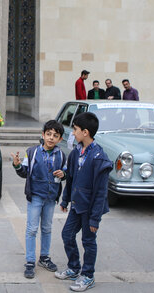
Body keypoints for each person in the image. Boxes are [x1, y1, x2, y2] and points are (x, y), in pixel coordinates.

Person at [55, 112, 113, 292]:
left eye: (75, 129)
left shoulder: (99, 158)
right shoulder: (75, 153)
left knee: (88, 241)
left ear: (86, 132)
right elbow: (70, 178)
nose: (72, 133)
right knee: (67, 235)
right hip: (76, 205)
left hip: (90, 209)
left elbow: (101, 192)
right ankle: (74, 267)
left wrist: (95, 218)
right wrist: (65, 200)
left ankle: (88, 276)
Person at [10, 120, 66, 279]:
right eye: (48, 134)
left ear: (60, 139)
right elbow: (24, 172)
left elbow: (65, 173)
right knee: (32, 229)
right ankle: (29, 261)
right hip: (35, 196)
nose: (51, 138)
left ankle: (44, 257)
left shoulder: (61, 155)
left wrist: (64, 175)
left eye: (55, 136)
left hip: (51, 197)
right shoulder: (32, 152)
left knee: (47, 228)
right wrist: (17, 165)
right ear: (43, 135)